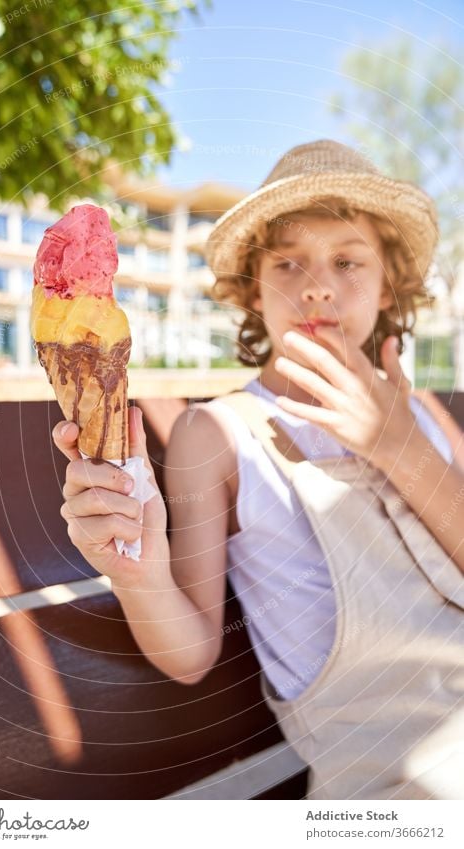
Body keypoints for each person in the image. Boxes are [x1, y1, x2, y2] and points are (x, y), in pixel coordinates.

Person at [52, 140, 464, 800]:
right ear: (251, 287)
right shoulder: (218, 433)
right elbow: (190, 653)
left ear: (387, 282)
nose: (317, 283)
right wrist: (138, 571)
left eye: (347, 259)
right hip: (392, 787)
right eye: (288, 260)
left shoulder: (415, 417)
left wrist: (398, 447)